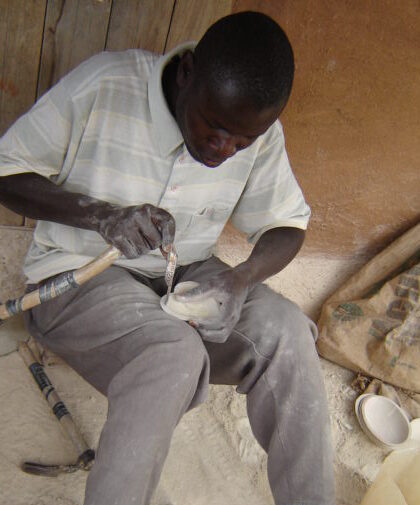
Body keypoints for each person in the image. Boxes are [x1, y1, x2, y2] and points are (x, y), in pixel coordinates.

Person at [0, 11, 334, 505]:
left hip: (187, 273)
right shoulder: (105, 84)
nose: (224, 150)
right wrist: (101, 215)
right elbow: (7, 171)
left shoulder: (254, 131)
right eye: (215, 128)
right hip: (81, 278)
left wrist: (241, 279)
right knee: (172, 354)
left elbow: (288, 225)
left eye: (242, 142)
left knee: (288, 332)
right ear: (186, 74)